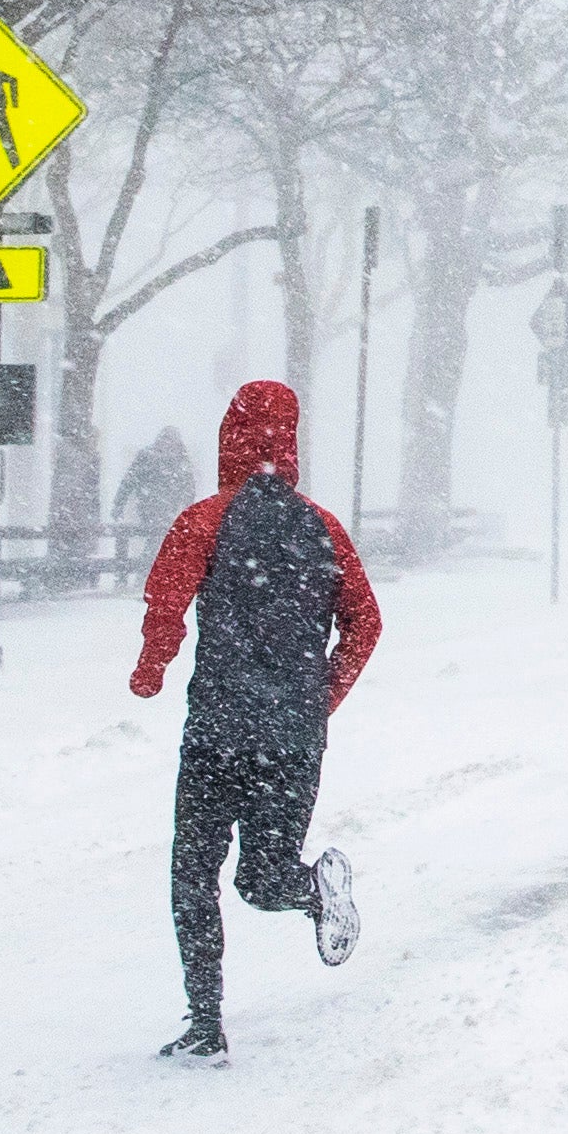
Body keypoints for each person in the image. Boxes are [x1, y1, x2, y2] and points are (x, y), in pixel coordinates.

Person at [128, 379, 383, 1057]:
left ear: (227, 437)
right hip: (291, 740)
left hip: (216, 730)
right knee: (261, 880)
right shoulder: (325, 528)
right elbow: (365, 623)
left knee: (194, 874)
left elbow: (166, 601)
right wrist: (319, 696)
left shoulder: (204, 520)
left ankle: (204, 1022)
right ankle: (309, 890)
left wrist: (152, 666)